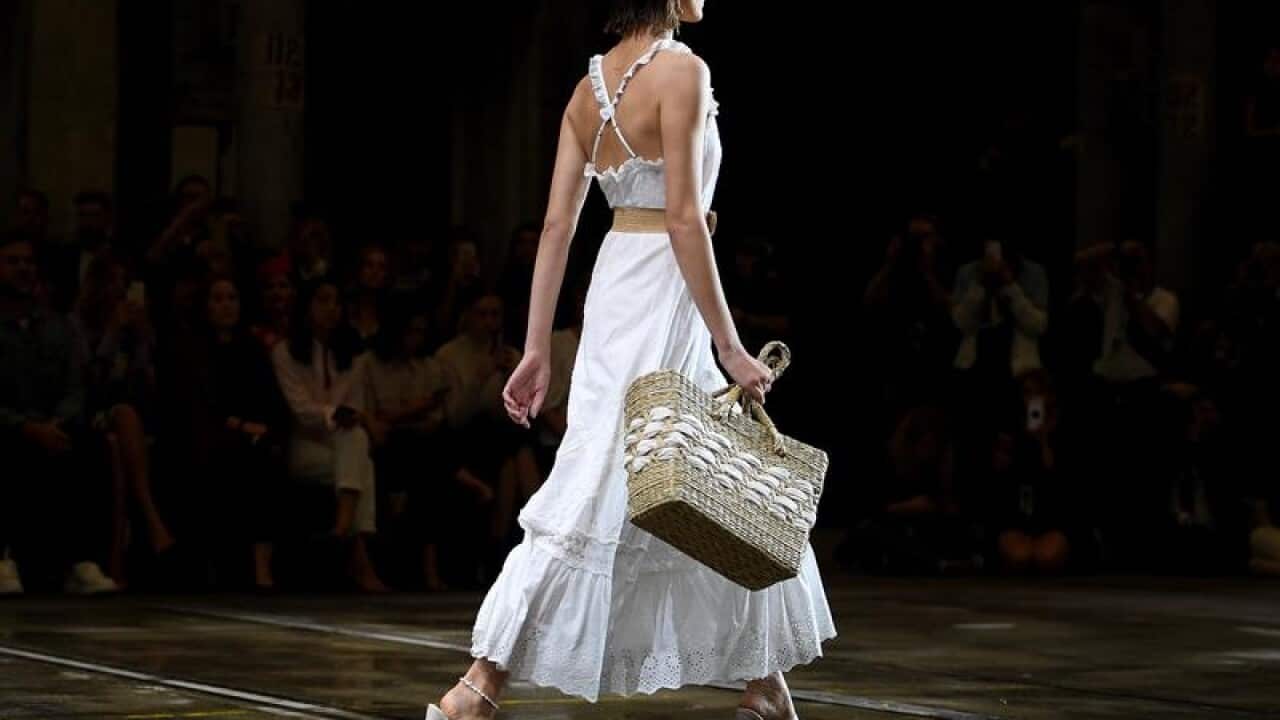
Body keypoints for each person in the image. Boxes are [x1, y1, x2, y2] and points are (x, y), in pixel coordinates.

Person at [427, 3, 835, 718]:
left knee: (705, 474)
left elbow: (557, 226)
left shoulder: (589, 90)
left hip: (618, 286)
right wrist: (732, 345)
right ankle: (478, 684)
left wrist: (535, 347)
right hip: (663, 290)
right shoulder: (682, 71)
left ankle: (763, 683)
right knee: (627, 478)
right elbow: (683, 217)